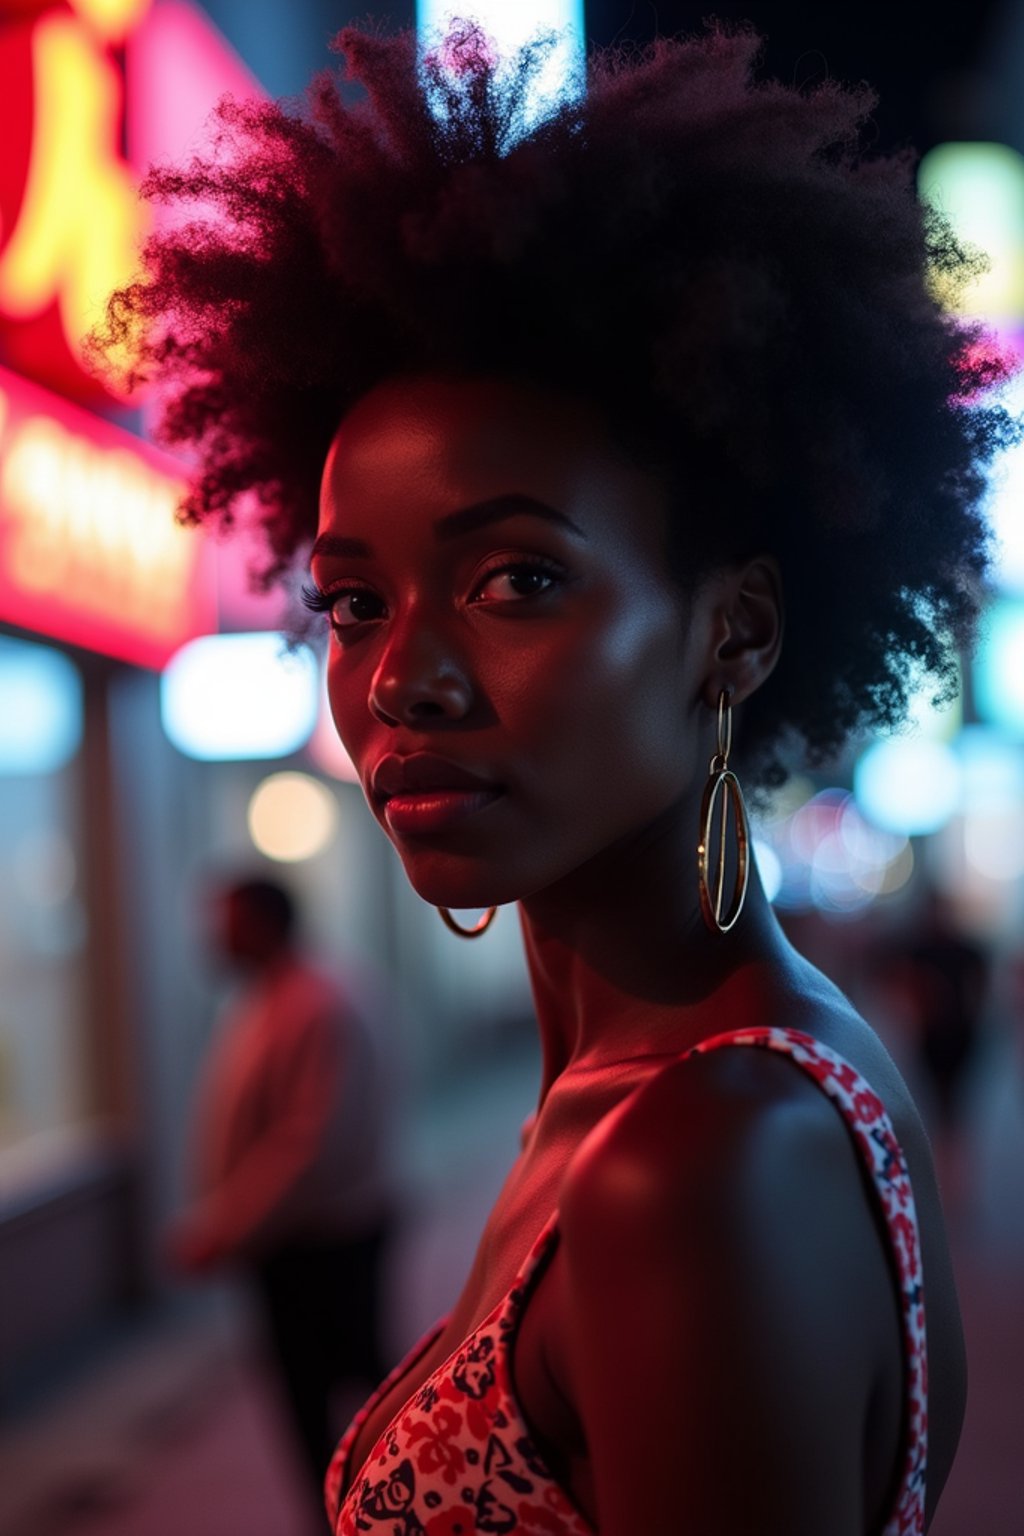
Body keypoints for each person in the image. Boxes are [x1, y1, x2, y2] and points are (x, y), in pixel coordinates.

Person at [97, 20, 1020, 1534]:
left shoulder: (703, 1160)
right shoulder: (670, 1087)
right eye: (353, 601)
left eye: (517, 578)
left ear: (736, 630)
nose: (402, 678)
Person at [167, 875, 394, 1496]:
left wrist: (226, 1226)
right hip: (297, 1241)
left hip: (323, 1242)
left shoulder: (315, 1004)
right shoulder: (270, 998)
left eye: (228, 924)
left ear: (265, 923)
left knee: (347, 1393)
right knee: (324, 1393)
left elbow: (307, 1144)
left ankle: (369, 1509)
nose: (215, 939)